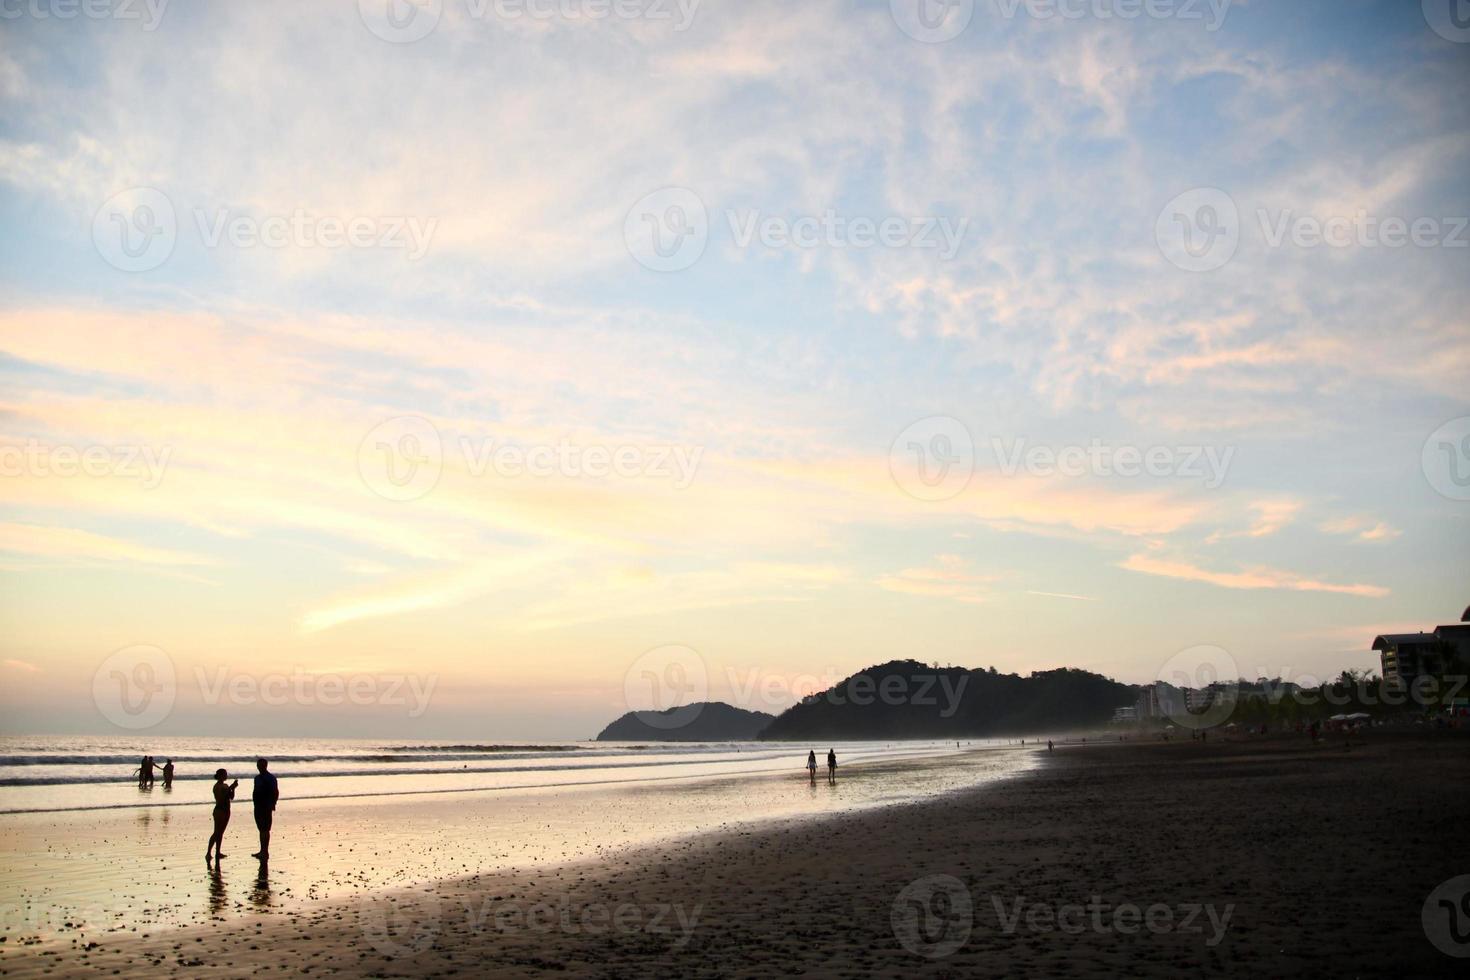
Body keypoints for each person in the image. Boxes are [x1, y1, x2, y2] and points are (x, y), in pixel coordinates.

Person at [205, 768, 237, 865]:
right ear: (219, 776)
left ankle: (218, 852)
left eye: (226, 774)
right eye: (224, 774)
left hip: (226, 810)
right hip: (220, 810)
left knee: (220, 833)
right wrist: (230, 788)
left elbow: (231, 797)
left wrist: (233, 788)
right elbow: (222, 798)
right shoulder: (217, 786)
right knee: (216, 832)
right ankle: (208, 852)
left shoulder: (225, 786)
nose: (226, 776)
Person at [251, 758, 279, 861]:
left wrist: (273, 803)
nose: (259, 767)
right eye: (258, 765)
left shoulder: (271, 778)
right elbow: (255, 791)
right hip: (258, 806)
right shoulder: (257, 778)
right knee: (261, 829)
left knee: (265, 829)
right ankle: (262, 850)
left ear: (265, 766)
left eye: (261, 765)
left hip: (266, 806)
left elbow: (275, 792)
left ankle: (264, 851)